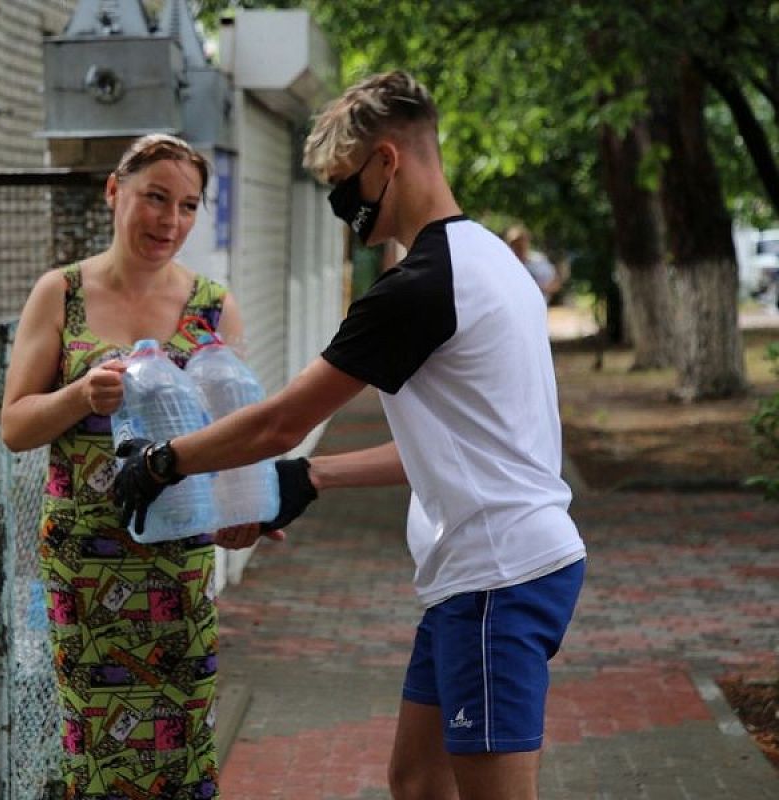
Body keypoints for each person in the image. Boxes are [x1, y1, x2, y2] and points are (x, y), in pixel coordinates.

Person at [113, 72, 587, 800]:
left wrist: (162, 461)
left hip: (498, 579)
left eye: (344, 189)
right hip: (486, 572)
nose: (345, 211)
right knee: (417, 780)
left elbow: (279, 421)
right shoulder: (490, 260)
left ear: (387, 162)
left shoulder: (421, 288)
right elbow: (460, 447)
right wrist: (313, 478)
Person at [0, 133, 273, 800]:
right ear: (115, 192)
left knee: (184, 739)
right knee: (94, 748)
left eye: (186, 206)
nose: (170, 222)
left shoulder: (212, 305)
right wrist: (77, 394)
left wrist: (247, 512)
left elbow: (231, 435)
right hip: (85, 562)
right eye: (155, 198)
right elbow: (14, 426)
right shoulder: (59, 293)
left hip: (177, 558)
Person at [504, 224, 563, 303]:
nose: (520, 246)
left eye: (522, 241)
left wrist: (538, 289)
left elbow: (556, 284)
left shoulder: (538, 260)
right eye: (515, 243)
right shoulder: (506, 264)